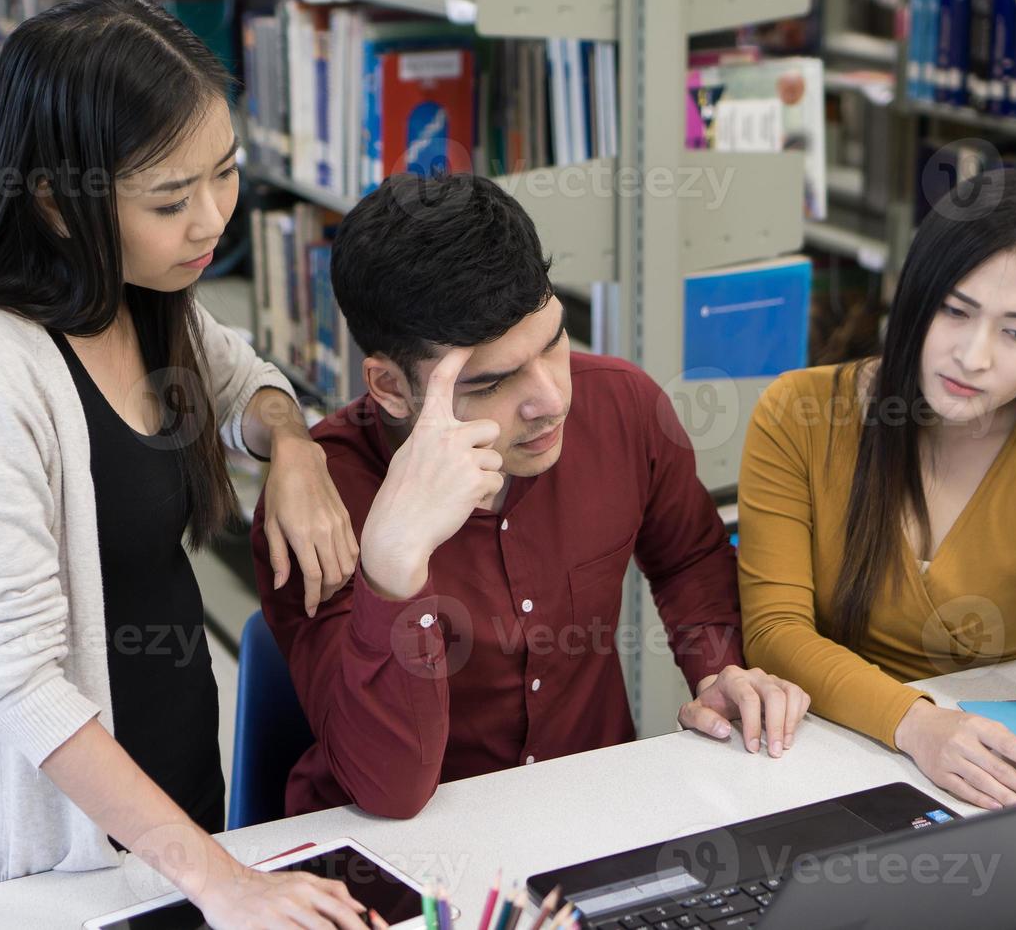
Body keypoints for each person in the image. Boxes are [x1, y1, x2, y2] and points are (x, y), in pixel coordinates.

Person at [0, 0, 367, 928]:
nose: (211, 221)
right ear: (59, 205)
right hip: (62, 858)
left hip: (175, 809)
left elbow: (251, 386)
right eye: (170, 199)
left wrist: (297, 452)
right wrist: (220, 879)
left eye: (225, 175)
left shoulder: (150, 299)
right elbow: (19, 686)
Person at [251, 172, 810, 820]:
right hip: (401, 871)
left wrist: (717, 673)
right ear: (391, 386)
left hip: (592, 824)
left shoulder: (623, 406)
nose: (551, 400)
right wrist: (393, 564)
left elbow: (688, 559)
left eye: (553, 343)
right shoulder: (317, 509)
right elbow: (391, 791)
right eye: (492, 382)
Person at [737, 167, 1016, 812]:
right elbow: (776, 632)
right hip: (836, 750)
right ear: (916, 296)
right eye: (955, 311)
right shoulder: (799, 414)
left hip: (998, 773)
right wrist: (918, 725)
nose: (973, 356)